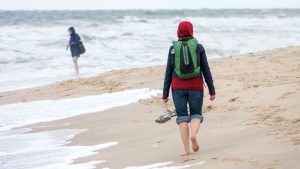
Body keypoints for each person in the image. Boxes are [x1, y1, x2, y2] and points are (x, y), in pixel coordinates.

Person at [162, 21, 216, 156]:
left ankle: (186, 150)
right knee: (196, 114)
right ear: (191, 31)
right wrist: (212, 90)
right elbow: (206, 69)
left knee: (182, 117)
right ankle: (194, 134)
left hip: (178, 87)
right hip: (195, 86)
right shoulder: (198, 47)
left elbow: (168, 71)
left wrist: (165, 94)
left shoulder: (172, 49)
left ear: (178, 32)